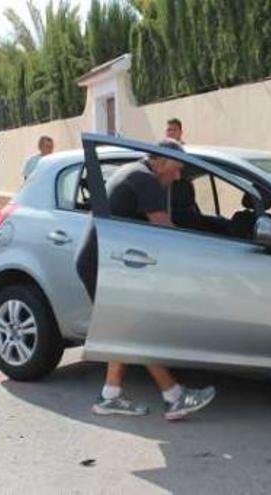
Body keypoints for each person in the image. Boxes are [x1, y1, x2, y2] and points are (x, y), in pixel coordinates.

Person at [91, 138, 216, 421]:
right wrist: (203, 256)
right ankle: (173, 395)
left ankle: (110, 395)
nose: (179, 175)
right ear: (158, 161)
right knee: (137, 331)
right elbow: (164, 230)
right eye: (176, 168)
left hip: (105, 261)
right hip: (105, 264)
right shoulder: (145, 179)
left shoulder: (137, 171)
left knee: (126, 332)